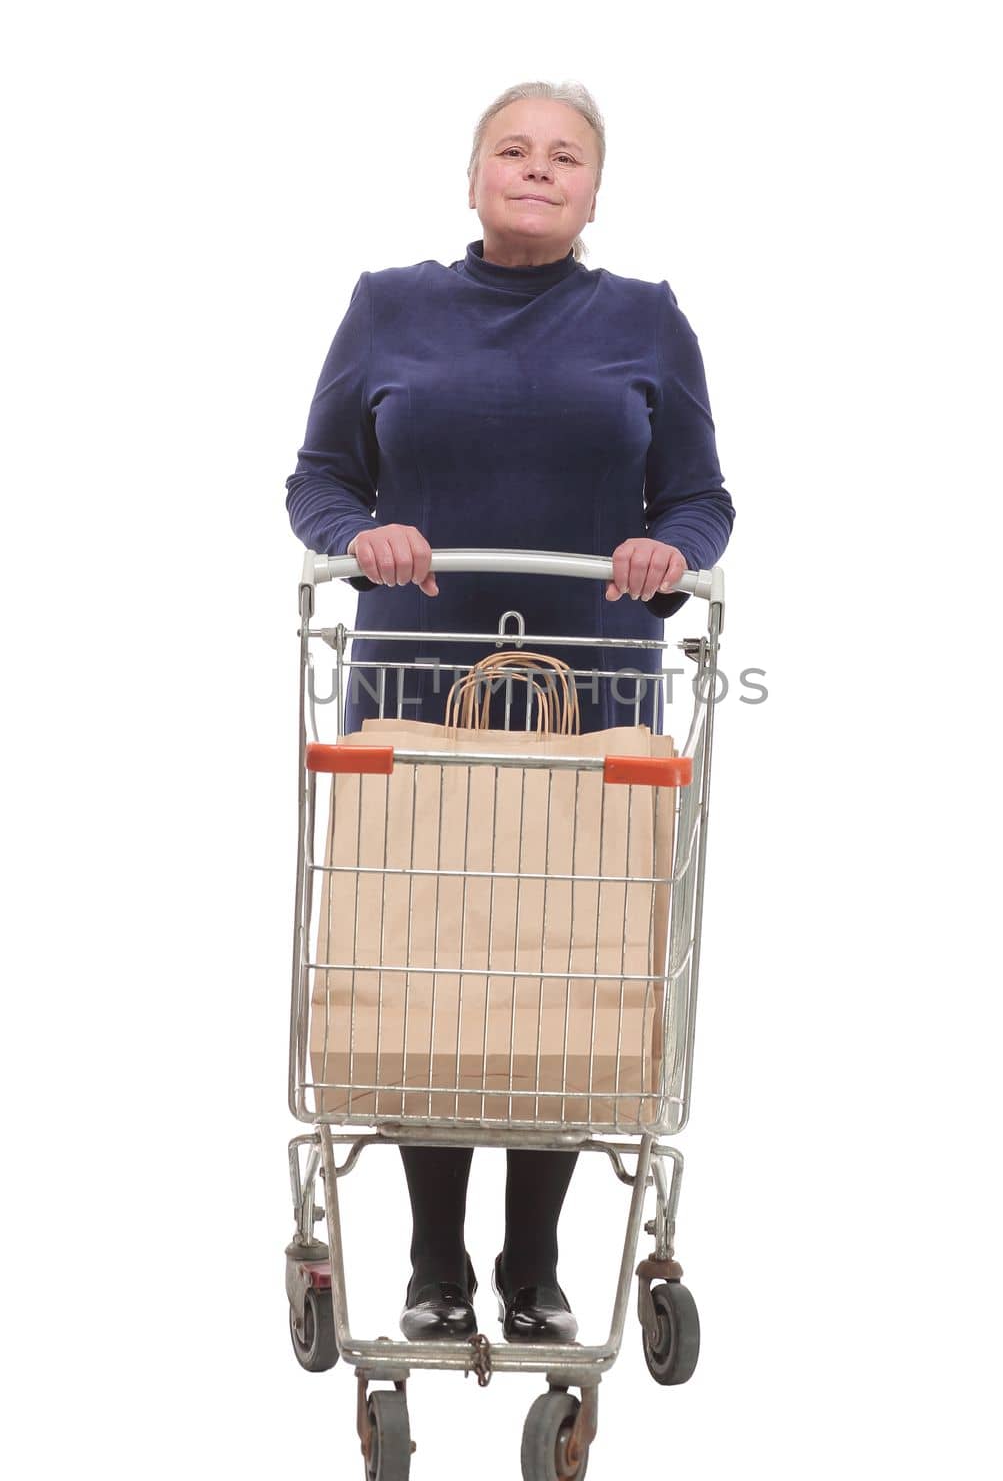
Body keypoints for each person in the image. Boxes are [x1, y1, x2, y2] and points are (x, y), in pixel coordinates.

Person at [285, 79, 735, 1347]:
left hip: (591, 692)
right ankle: (433, 1261)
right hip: (413, 688)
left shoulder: (644, 320)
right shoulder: (389, 306)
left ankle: (531, 1265)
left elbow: (699, 498)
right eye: (512, 150)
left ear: (595, 191)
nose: (537, 172)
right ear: (472, 173)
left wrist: (662, 551)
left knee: (559, 963)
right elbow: (319, 476)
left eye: (566, 159)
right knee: (426, 952)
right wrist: (357, 533)